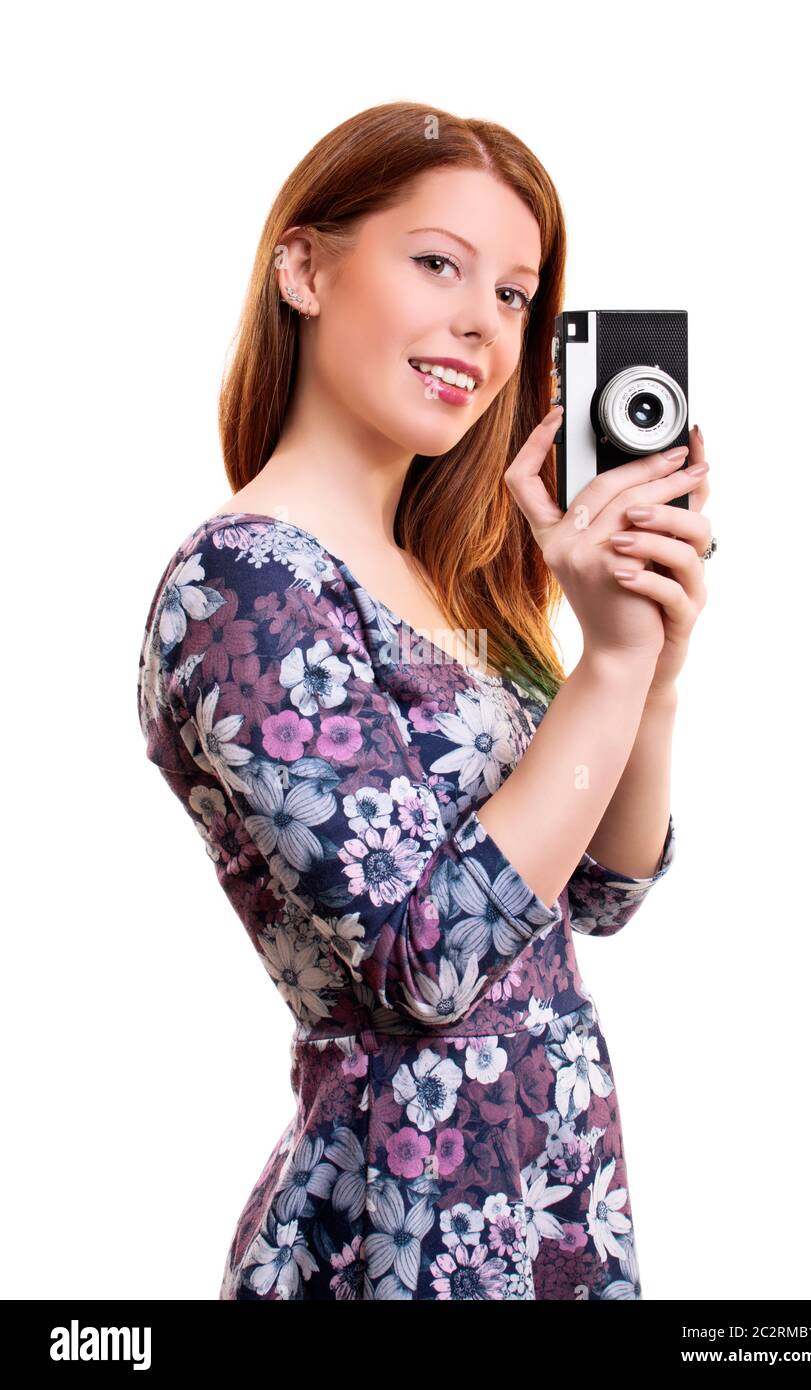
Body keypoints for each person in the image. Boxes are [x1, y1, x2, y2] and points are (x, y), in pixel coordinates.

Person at [137, 100, 711, 1301]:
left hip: (549, 1199)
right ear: (302, 267)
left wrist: (644, 665)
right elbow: (423, 961)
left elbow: (598, 890)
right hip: (404, 1214)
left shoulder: (448, 582)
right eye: (438, 263)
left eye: (513, 294)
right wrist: (600, 671)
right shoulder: (241, 581)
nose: (481, 325)